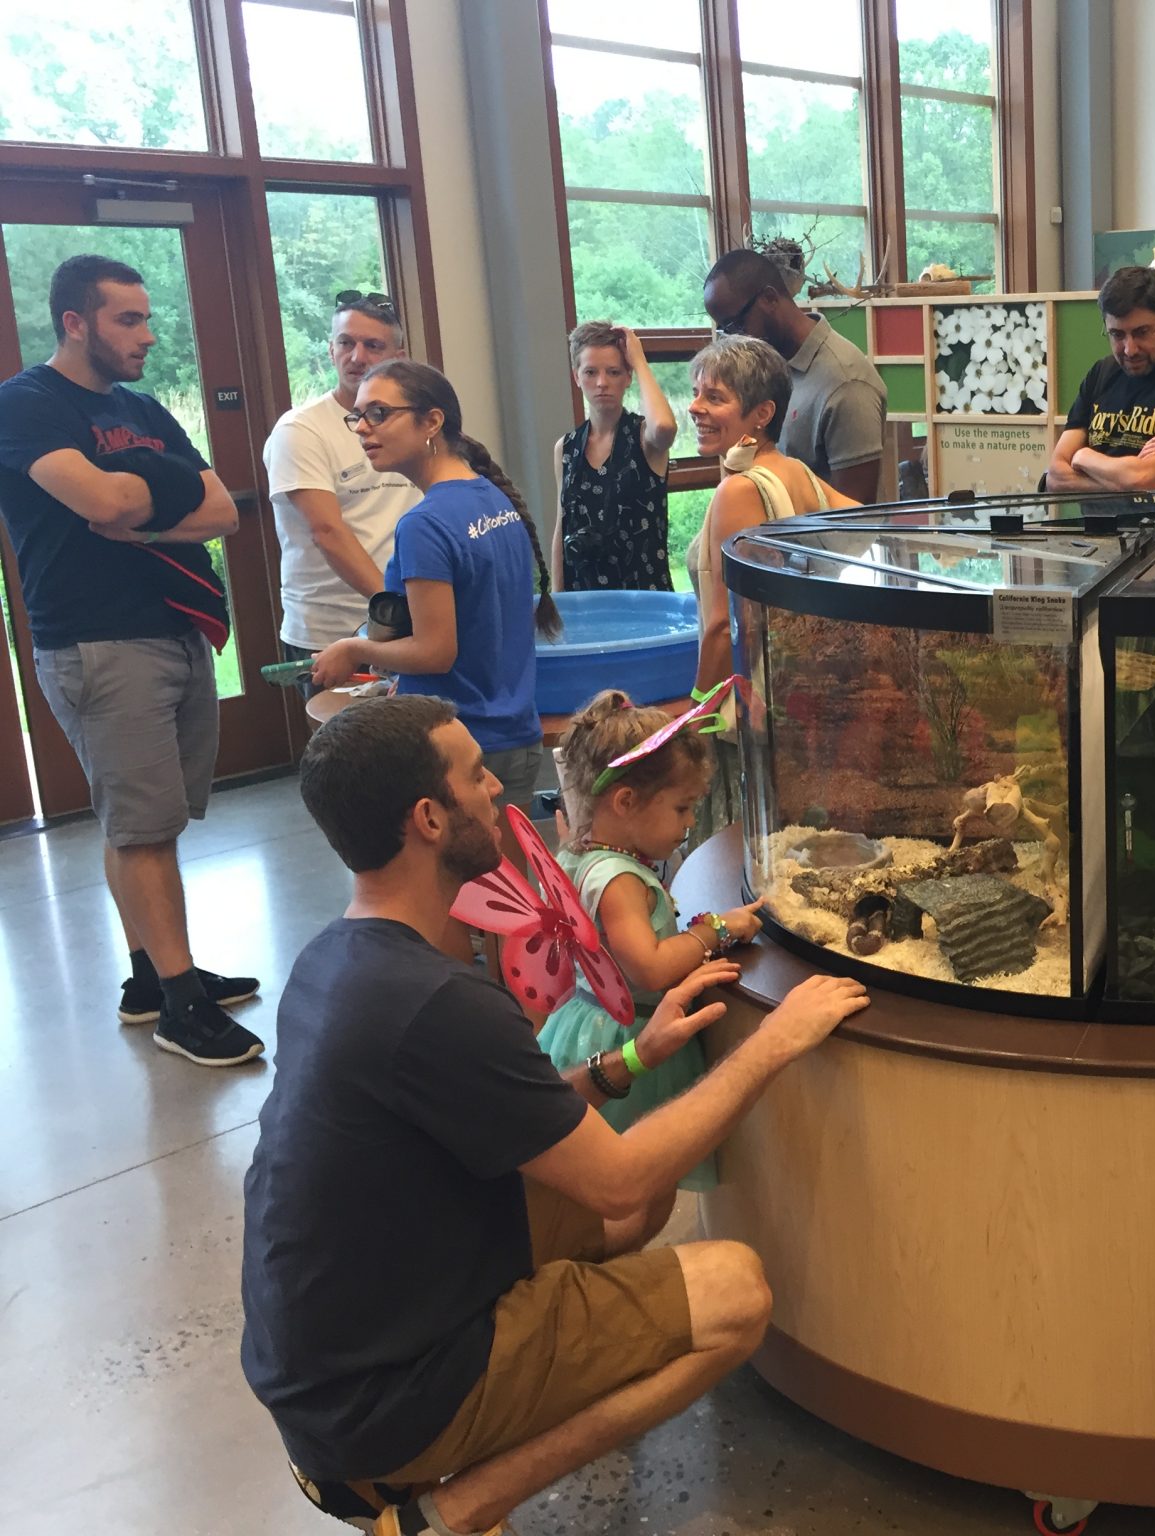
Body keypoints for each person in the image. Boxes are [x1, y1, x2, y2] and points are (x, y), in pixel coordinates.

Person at [242, 693, 869, 1536]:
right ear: (428, 818)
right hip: (380, 1405)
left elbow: (524, 1119)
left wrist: (635, 1055)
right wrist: (776, 1040)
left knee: (632, 1210)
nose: (498, 787)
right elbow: (623, 1179)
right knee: (736, 1293)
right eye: (475, 777)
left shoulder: (343, 958)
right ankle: (446, 1509)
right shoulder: (437, 1001)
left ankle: (504, 1391)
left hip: (333, 1362)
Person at [0, 253, 262, 1067]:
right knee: (143, 829)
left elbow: (221, 509)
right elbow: (99, 501)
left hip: (174, 630)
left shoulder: (144, 408)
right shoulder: (24, 406)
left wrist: (140, 502)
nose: (148, 335)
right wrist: (154, 488)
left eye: (148, 318)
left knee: (150, 824)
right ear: (75, 322)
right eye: (128, 320)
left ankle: (151, 978)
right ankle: (183, 1006)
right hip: (97, 643)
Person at [310, 360, 559, 821]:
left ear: (432, 421)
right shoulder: (490, 496)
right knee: (503, 888)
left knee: (474, 894)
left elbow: (435, 652)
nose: (363, 428)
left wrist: (352, 648)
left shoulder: (424, 525)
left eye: (380, 413)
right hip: (516, 734)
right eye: (358, 416)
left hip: (461, 747)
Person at [536, 689, 766, 1175]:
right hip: (628, 1037)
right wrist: (719, 928)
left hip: (583, 1022)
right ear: (625, 801)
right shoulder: (619, 880)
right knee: (640, 1167)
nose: (690, 823)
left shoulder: (578, 851)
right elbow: (652, 966)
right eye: (682, 809)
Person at [683, 335, 859, 842]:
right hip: (799, 699)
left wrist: (696, 713)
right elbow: (868, 525)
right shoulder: (797, 473)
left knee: (737, 847)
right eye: (696, 393)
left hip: (751, 707)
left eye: (714, 398)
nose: (696, 407)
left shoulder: (740, 490)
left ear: (762, 413)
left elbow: (722, 626)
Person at [261, 291, 420, 690]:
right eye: (347, 343)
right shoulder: (301, 430)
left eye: (373, 345)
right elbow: (328, 533)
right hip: (332, 633)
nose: (357, 356)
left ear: (398, 356)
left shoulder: (415, 424)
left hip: (408, 623)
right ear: (331, 350)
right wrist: (396, 607)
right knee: (349, 752)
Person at [702, 249, 886, 502]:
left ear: (769, 298)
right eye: (725, 330)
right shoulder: (766, 368)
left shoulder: (846, 383)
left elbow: (854, 520)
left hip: (809, 542)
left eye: (735, 324)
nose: (735, 338)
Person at [1046, 265, 1155, 495]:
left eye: (1141, 332)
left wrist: (1083, 456)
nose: (1129, 350)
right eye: (1117, 335)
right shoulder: (1101, 373)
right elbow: (1056, 478)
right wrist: (1125, 478)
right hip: (1093, 529)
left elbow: (1143, 479)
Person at [548, 321, 679, 593]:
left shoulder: (644, 438)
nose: (602, 383)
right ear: (577, 377)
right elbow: (562, 527)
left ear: (628, 377)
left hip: (644, 600)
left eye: (614, 372)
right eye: (591, 372)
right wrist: (560, 604)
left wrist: (639, 360)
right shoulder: (567, 448)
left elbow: (665, 427)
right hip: (587, 602)